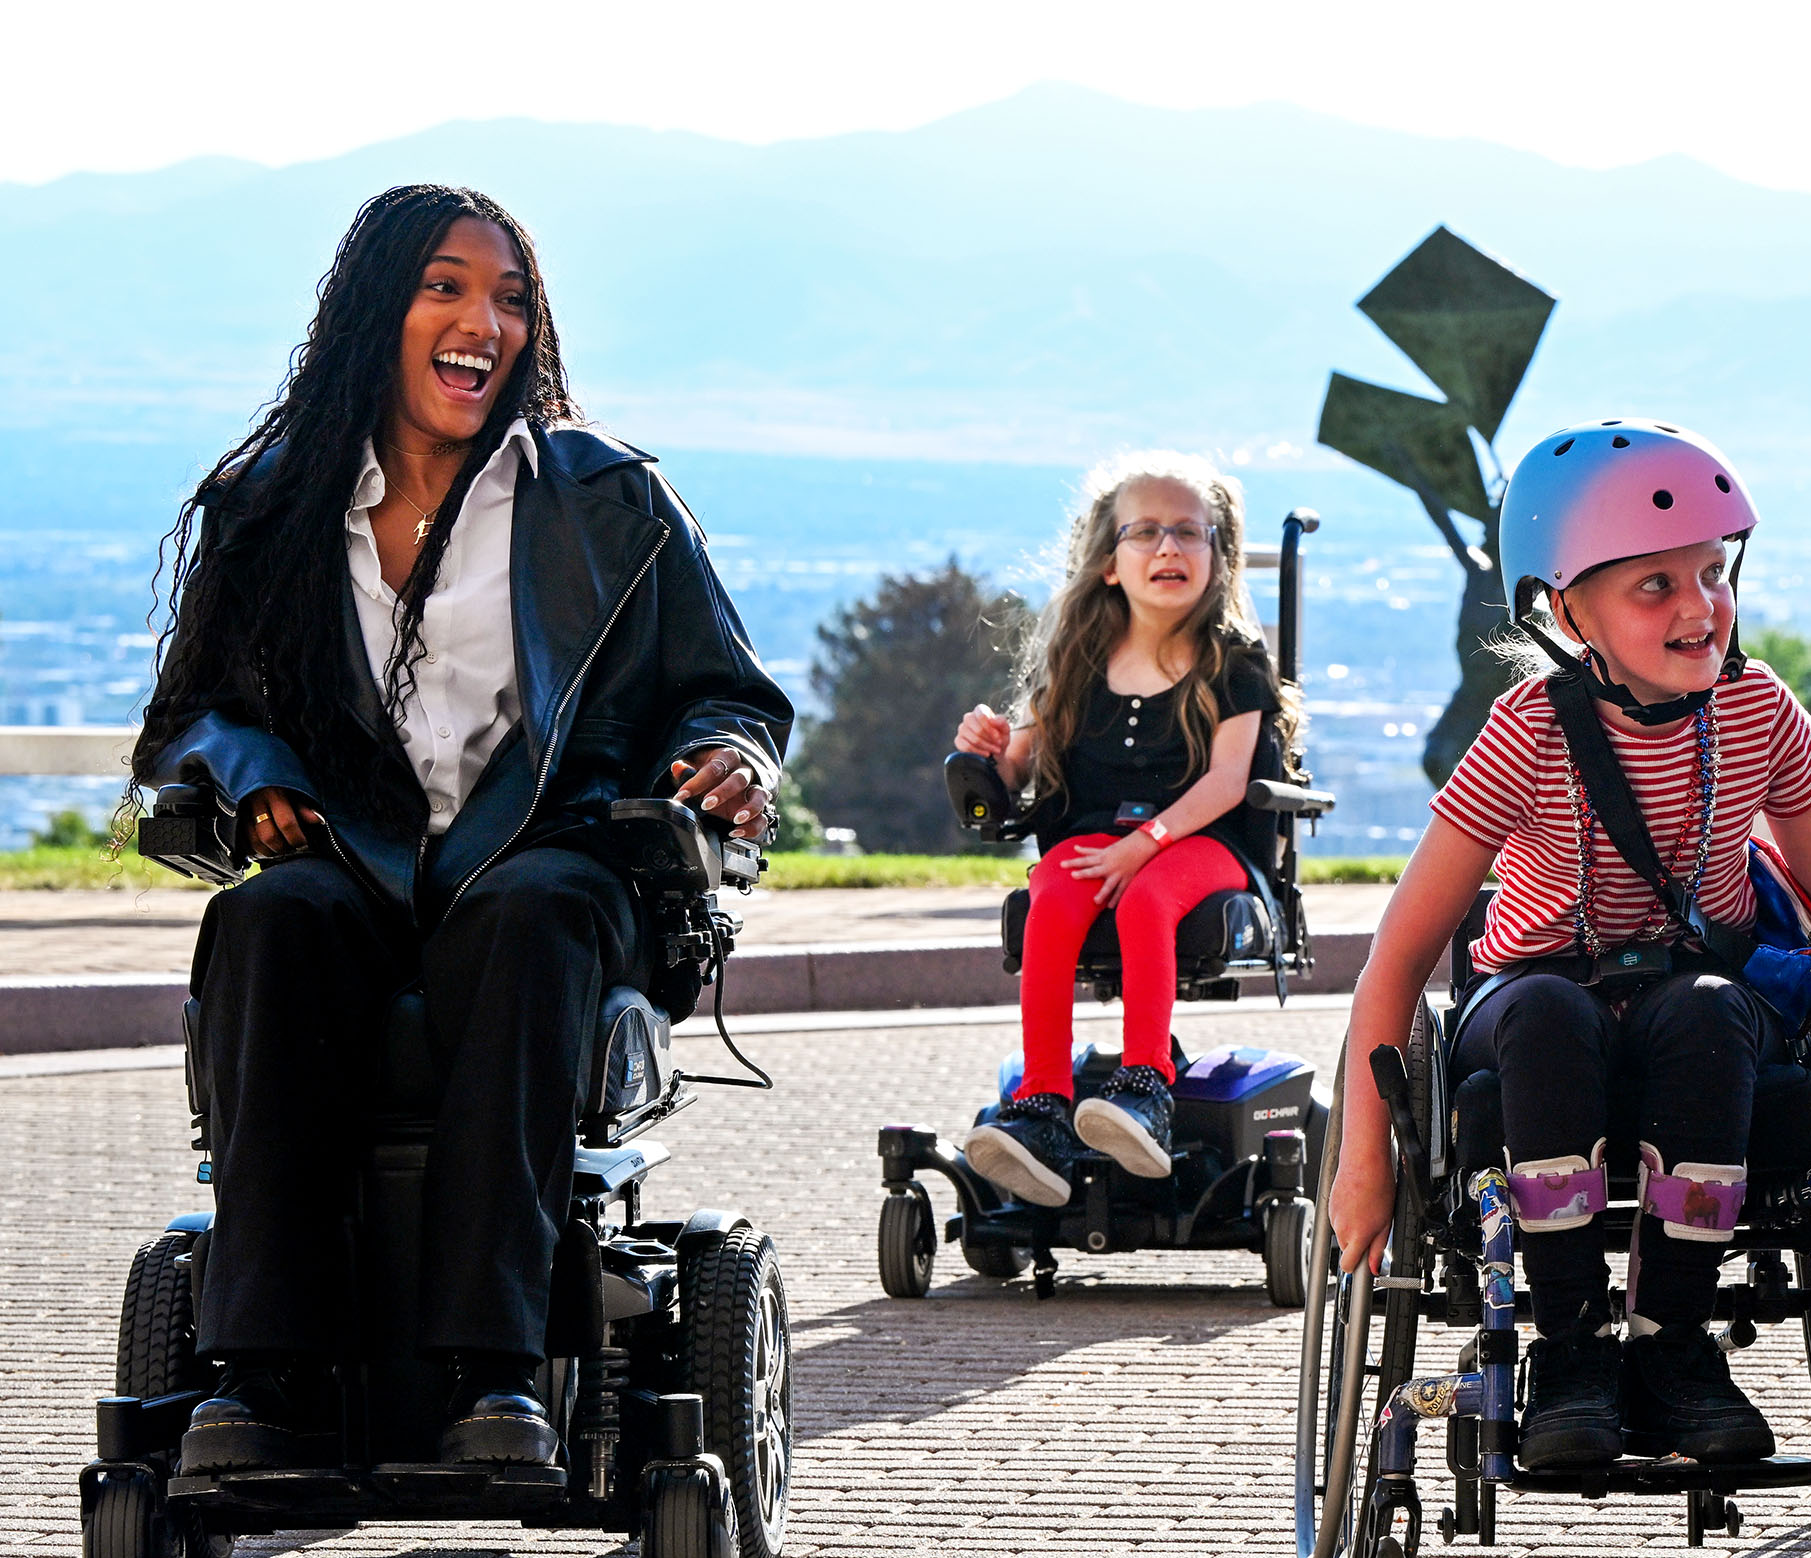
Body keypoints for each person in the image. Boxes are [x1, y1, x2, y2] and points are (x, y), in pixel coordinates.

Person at [132, 185, 793, 1476]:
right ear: (377, 310)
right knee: (266, 920)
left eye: (509, 297)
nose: (480, 320)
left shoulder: (609, 502)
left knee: (529, 913)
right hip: (354, 863)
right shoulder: (269, 506)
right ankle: (264, 1373)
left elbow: (727, 687)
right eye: (446, 286)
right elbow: (187, 717)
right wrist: (253, 761)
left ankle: (494, 1370)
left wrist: (729, 753)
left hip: (552, 849)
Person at [1328, 421, 1811, 1469]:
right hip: (1531, 1002)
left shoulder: (1755, 712)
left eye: (1712, 573)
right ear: (1571, 612)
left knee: (1707, 1007)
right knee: (1550, 1014)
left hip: (1697, 1004)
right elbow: (1399, 957)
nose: (1699, 608)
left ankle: (1673, 1348)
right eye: (1653, 586)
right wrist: (1361, 1162)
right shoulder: (1525, 732)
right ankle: (1568, 1349)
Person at [953, 454, 1291, 1206]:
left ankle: (1146, 1088)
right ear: (1109, 562)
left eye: (1188, 533)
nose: (1168, 549)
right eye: (1145, 532)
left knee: (1147, 898)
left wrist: (1148, 843)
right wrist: (987, 749)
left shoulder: (1233, 660)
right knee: (1054, 888)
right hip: (1098, 840)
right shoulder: (1075, 658)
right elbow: (1017, 770)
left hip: (1205, 846)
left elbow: (1229, 782)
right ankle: (1040, 1105)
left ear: (1216, 556)